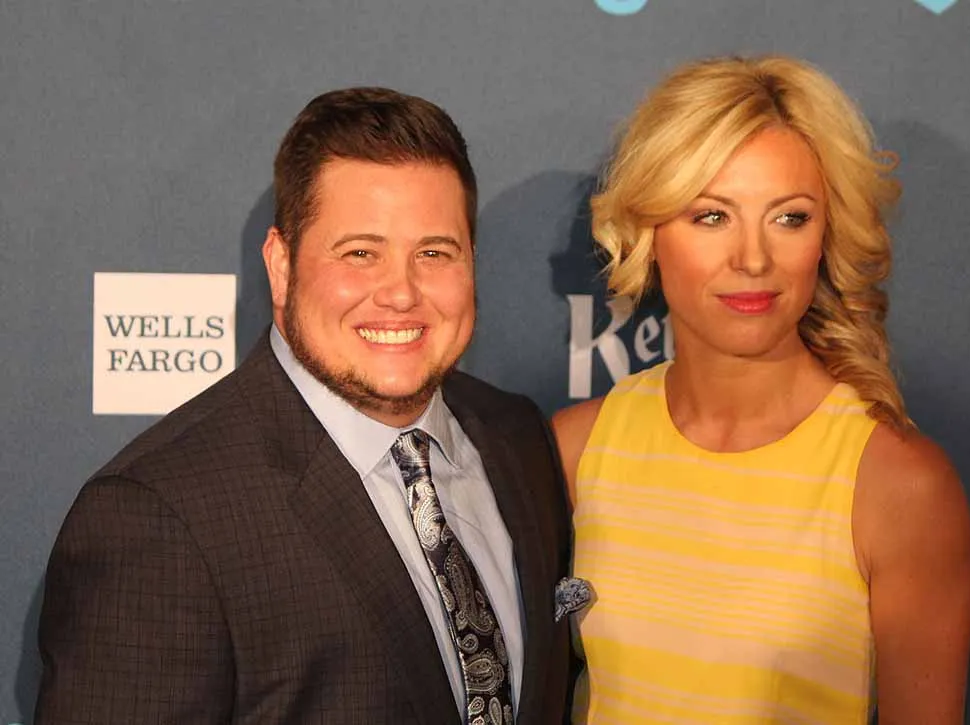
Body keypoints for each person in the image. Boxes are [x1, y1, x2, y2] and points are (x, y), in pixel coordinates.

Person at [35, 87, 573, 724]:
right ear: (281, 266)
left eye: (434, 253)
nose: (401, 293)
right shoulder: (156, 518)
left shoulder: (518, 439)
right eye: (360, 253)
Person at [553, 56, 970, 724]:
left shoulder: (897, 486)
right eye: (711, 216)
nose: (752, 258)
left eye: (789, 218)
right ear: (649, 231)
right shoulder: (577, 449)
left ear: (826, 235)